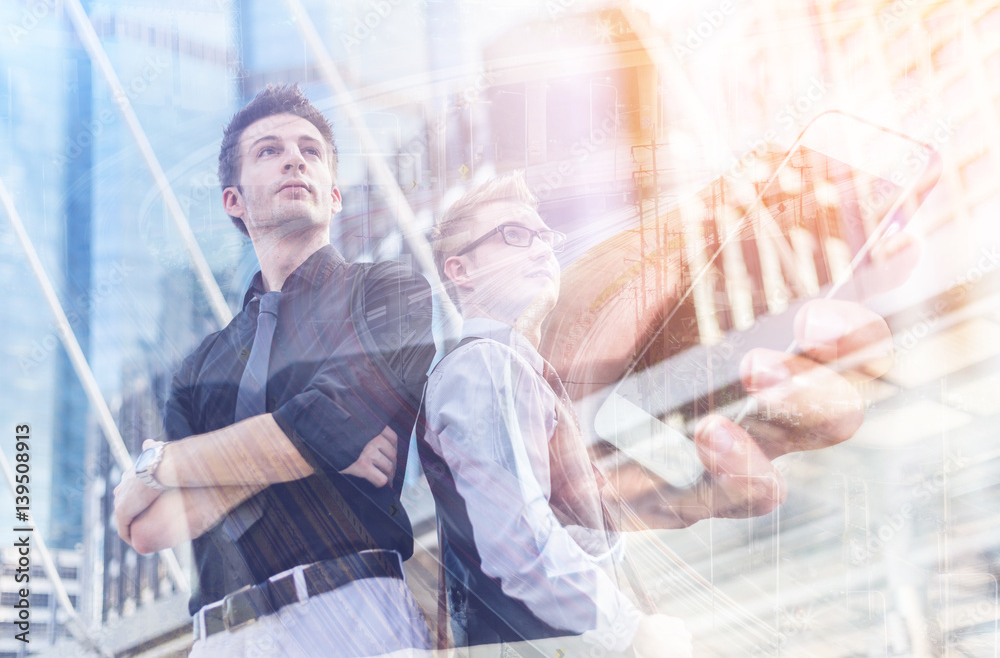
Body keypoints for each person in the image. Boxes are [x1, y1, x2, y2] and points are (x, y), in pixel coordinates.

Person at [419, 172, 895, 654]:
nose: (542, 249)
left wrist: (665, 495)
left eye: (545, 236)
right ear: (461, 271)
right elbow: (519, 545)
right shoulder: (484, 364)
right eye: (514, 236)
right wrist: (629, 630)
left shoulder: (527, 368)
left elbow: (555, 525)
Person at [113, 84, 435, 657]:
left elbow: (329, 422)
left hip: (351, 616)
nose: (294, 158)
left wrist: (162, 464)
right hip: (222, 637)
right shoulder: (198, 367)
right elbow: (147, 529)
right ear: (233, 201)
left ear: (334, 196)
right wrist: (301, 450)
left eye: (310, 150)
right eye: (269, 150)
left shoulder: (388, 293)